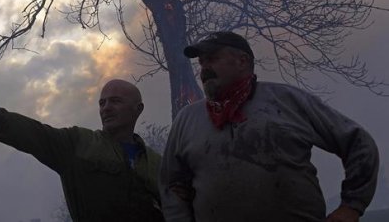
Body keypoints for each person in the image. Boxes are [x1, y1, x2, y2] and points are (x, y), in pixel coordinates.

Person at [159, 31, 379, 222]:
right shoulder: (187, 118)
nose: (205, 69)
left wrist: (351, 206)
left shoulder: (288, 100)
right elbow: (172, 185)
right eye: (202, 62)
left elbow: (358, 143)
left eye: (213, 59)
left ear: (243, 61)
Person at [0, 79, 165, 222]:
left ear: (138, 108)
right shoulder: (77, 143)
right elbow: (25, 131)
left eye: (115, 101)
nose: (106, 108)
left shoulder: (159, 164)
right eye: (102, 103)